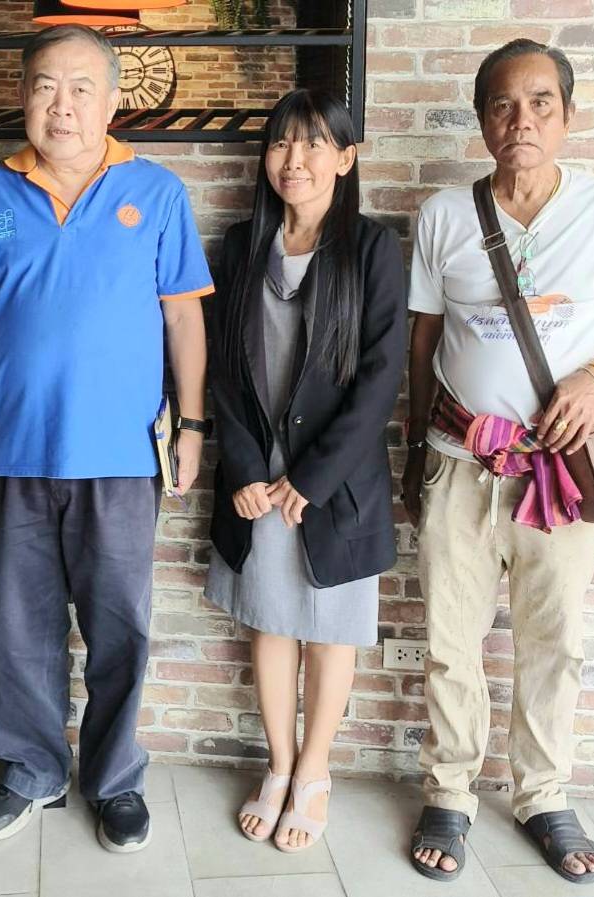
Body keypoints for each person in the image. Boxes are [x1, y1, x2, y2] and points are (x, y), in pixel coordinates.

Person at [403, 39, 594, 884]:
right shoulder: (443, 215)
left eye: (538, 104)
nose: (519, 120)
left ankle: (542, 794)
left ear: (567, 115)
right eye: (501, 104)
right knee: (448, 642)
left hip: (561, 475)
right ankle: (449, 791)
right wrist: (413, 452)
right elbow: (423, 338)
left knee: (552, 639)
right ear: (482, 118)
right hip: (457, 460)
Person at [0, 24, 211, 853]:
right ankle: (30, 770)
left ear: (112, 101)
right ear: (23, 97)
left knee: (118, 625)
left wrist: (192, 423)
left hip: (122, 456)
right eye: (45, 87)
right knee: (18, 628)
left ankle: (115, 779)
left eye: (81, 88)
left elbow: (182, 318)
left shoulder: (155, 192)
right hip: (12, 451)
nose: (62, 106)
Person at [206, 88, 406, 853]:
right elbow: (222, 371)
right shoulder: (240, 245)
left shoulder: (371, 249)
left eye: (314, 143)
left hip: (336, 478)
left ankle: (315, 771)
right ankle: (279, 763)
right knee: (269, 621)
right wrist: (243, 467)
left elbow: (381, 378)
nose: (293, 159)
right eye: (281, 143)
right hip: (259, 475)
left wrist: (312, 478)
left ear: (345, 158)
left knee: (328, 631)